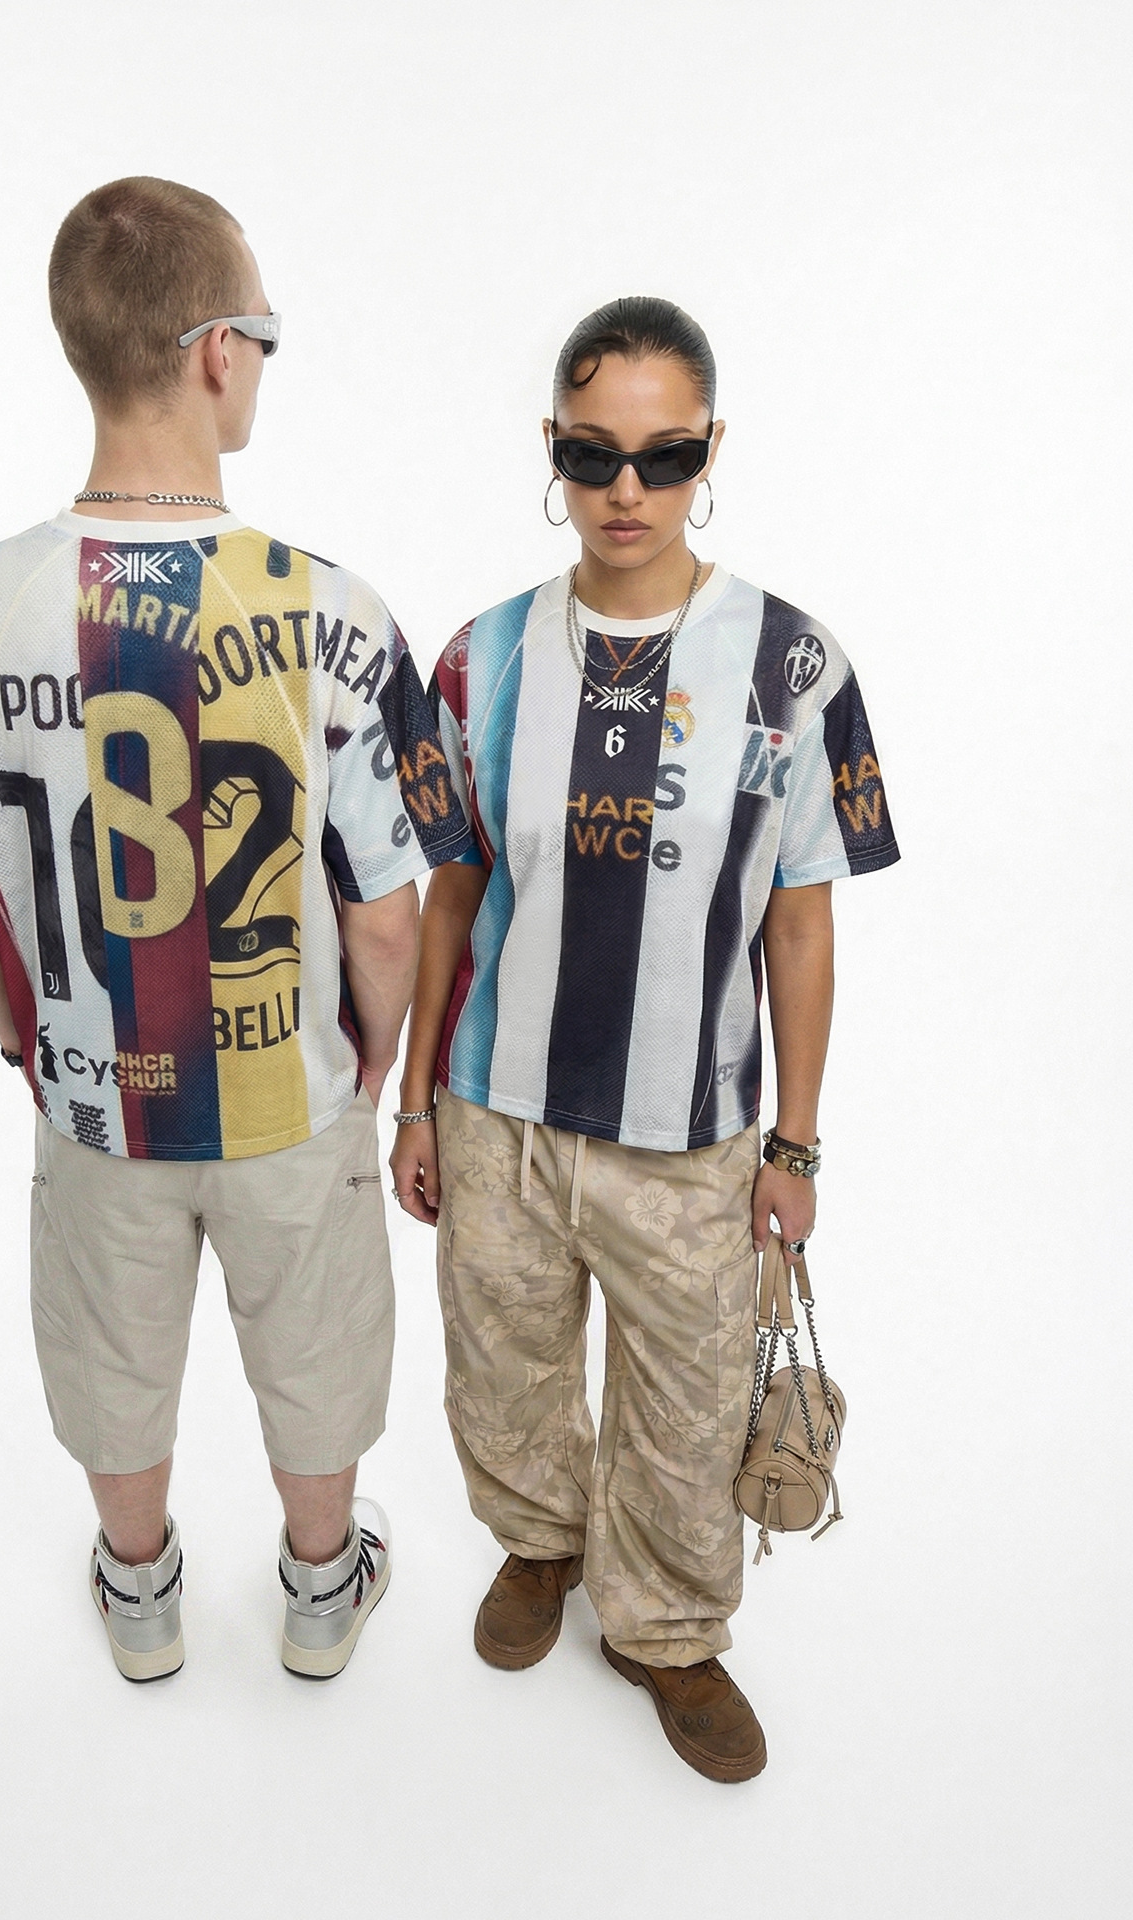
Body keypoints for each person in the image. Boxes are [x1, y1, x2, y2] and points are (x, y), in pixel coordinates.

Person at [0, 177, 471, 1683]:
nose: (261, 362)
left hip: (93, 1098)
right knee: (318, 1352)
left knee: (111, 1356)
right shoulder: (336, 611)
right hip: (290, 1095)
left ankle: (139, 1597)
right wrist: (373, 1056)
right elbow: (387, 917)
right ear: (216, 350)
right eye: (262, 334)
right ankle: (322, 1590)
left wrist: (28, 1041)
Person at [389, 297, 898, 1780]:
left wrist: (797, 1145)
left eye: (664, 456)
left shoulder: (794, 667)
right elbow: (450, 894)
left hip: (692, 1135)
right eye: (591, 453)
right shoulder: (483, 659)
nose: (626, 489)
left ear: (710, 451)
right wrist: (417, 1103)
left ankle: (666, 1629)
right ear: (550, 451)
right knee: (503, 1371)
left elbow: (801, 925)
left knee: (689, 1409)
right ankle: (540, 1543)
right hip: (498, 1107)